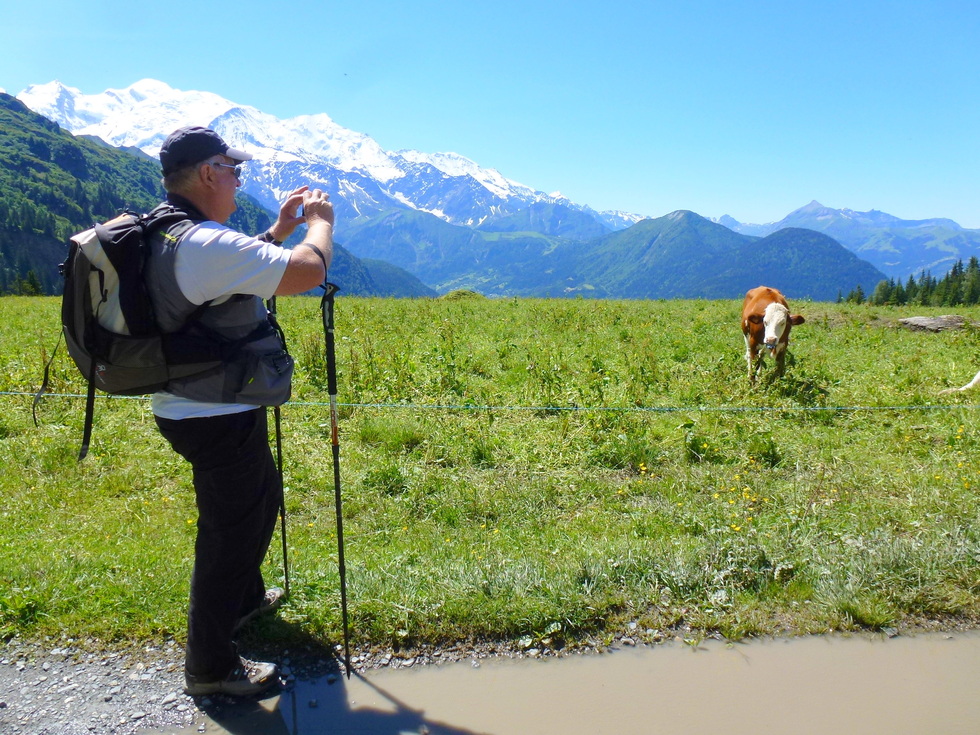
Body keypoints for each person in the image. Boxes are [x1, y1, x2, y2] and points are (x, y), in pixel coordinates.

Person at [148, 125, 334, 697]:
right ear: (208, 174)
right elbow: (306, 272)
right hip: (214, 410)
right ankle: (211, 666)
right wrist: (319, 224)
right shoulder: (205, 243)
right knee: (229, 532)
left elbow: (224, 271)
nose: (237, 180)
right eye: (233, 171)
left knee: (258, 502)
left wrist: (278, 230)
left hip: (194, 403)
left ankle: (245, 601)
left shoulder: (172, 234)